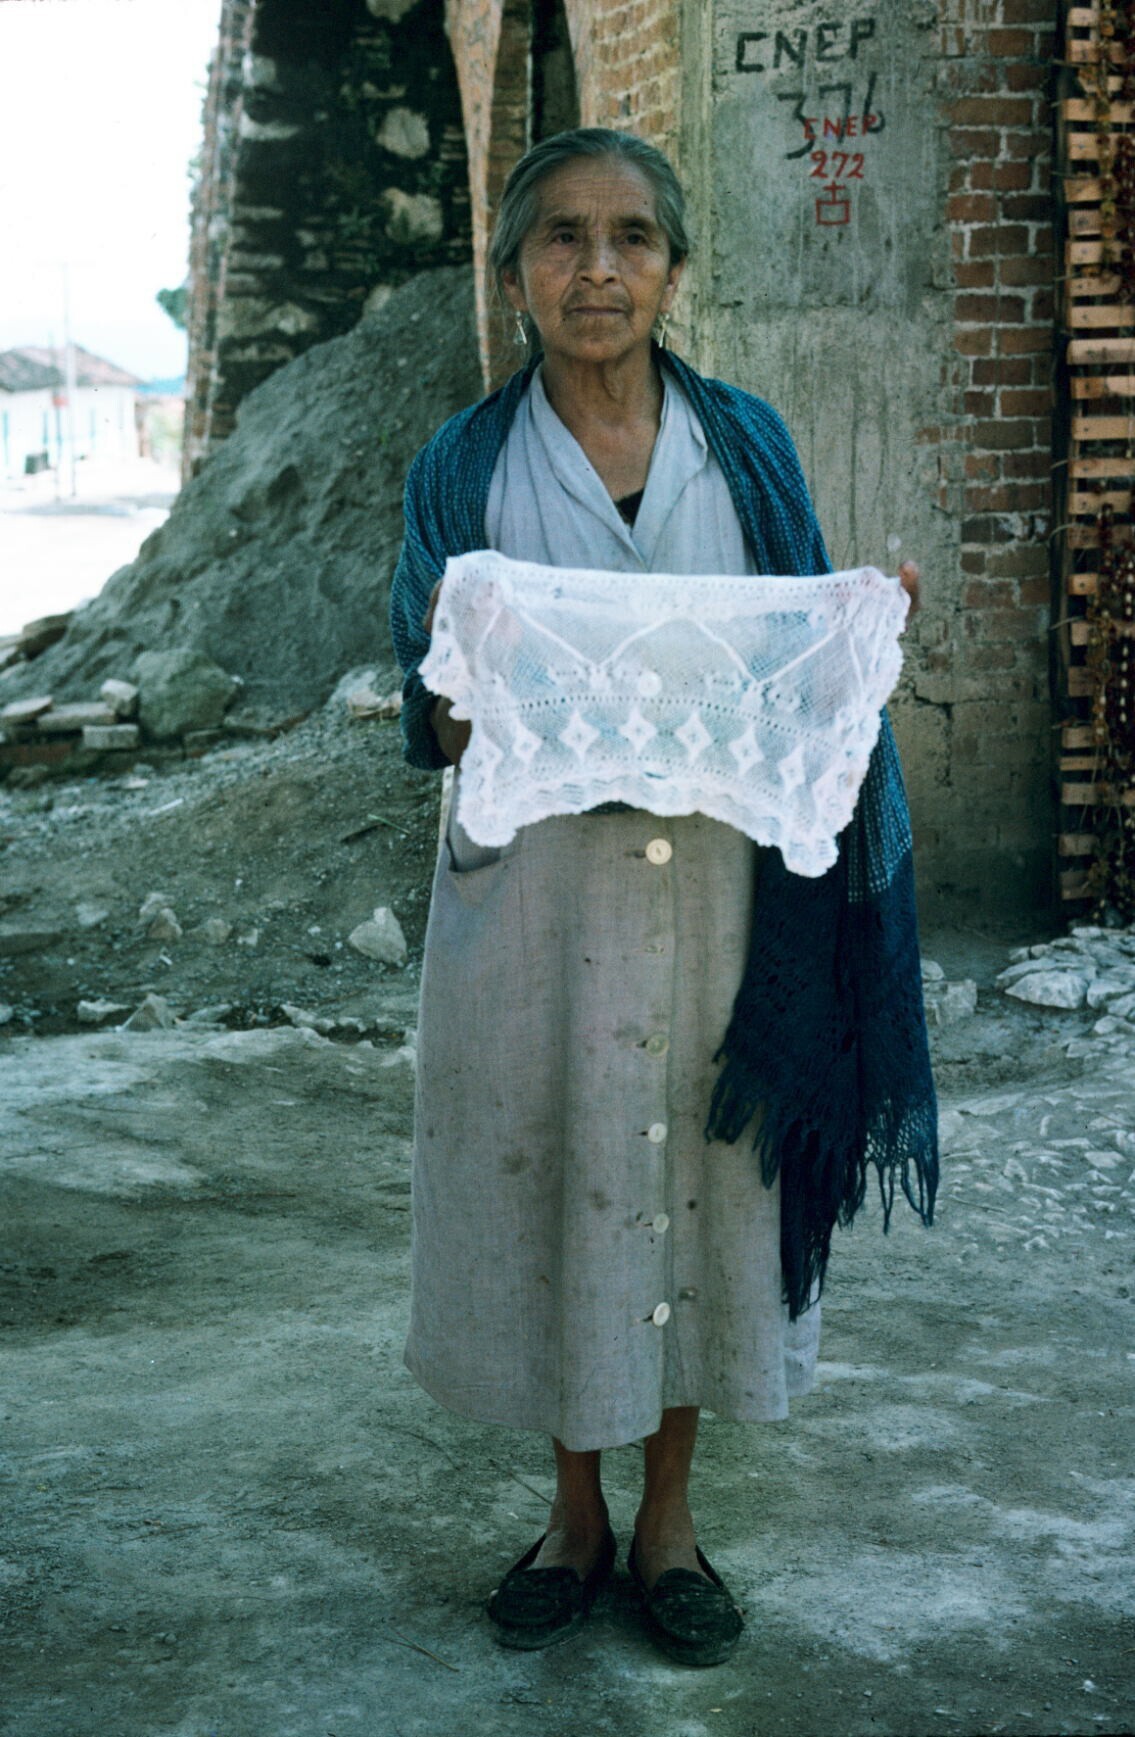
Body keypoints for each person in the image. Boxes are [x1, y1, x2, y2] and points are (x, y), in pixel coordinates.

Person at [390, 127, 937, 1667]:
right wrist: (469, 676)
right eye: (560, 238)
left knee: (705, 1187)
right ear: (513, 274)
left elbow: (802, 665)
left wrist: (857, 632)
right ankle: (573, 1515)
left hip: (720, 887)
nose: (599, 268)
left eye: (632, 237)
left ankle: (671, 1520)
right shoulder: (465, 467)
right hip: (538, 899)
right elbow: (433, 704)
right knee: (561, 1173)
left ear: (676, 271)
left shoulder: (743, 443)